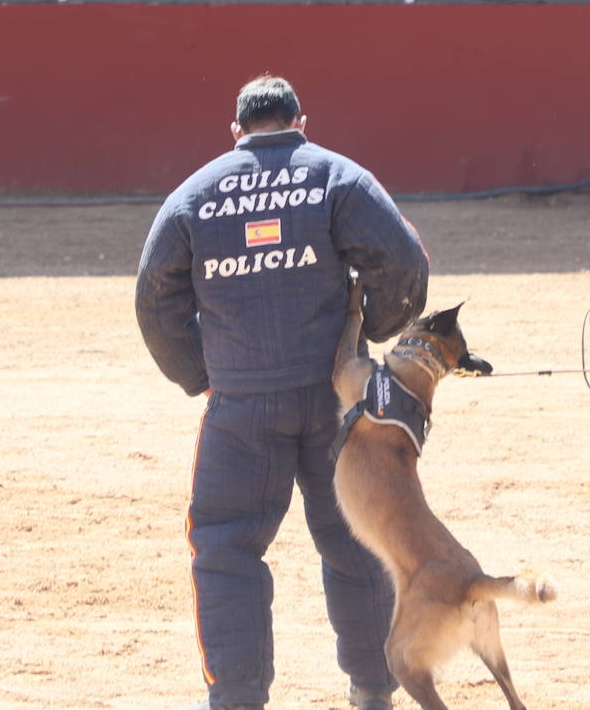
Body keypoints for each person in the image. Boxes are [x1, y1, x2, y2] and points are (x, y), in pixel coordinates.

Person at [136, 74, 429, 710]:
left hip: (240, 405)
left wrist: (203, 371)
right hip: (334, 400)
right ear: (301, 121)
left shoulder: (194, 194)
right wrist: (369, 333)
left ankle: (237, 698)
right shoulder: (337, 177)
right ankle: (375, 688)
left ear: (236, 132)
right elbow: (403, 261)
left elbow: (154, 299)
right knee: (356, 540)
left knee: (226, 548)